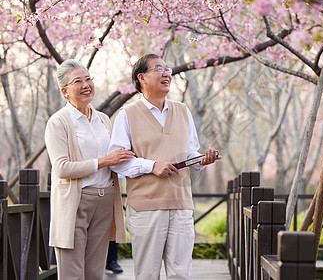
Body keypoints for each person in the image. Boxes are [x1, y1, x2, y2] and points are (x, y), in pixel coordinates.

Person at [108, 53, 221, 280]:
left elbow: (190, 153)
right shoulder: (127, 115)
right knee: (148, 274)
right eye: (158, 69)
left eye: (167, 69)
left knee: (181, 273)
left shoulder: (183, 111)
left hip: (181, 205)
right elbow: (117, 160)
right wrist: (152, 166)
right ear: (141, 77)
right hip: (146, 208)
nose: (167, 73)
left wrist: (201, 160)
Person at [44, 59, 135, 280]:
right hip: (75, 201)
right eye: (78, 81)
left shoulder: (103, 119)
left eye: (88, 79)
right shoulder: (58, 122)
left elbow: (117, 157)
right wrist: (104, 161)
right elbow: (62, 168)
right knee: (72, 272)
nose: (86, 85)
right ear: (65, 91)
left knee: (95, 272)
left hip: (105, 200)